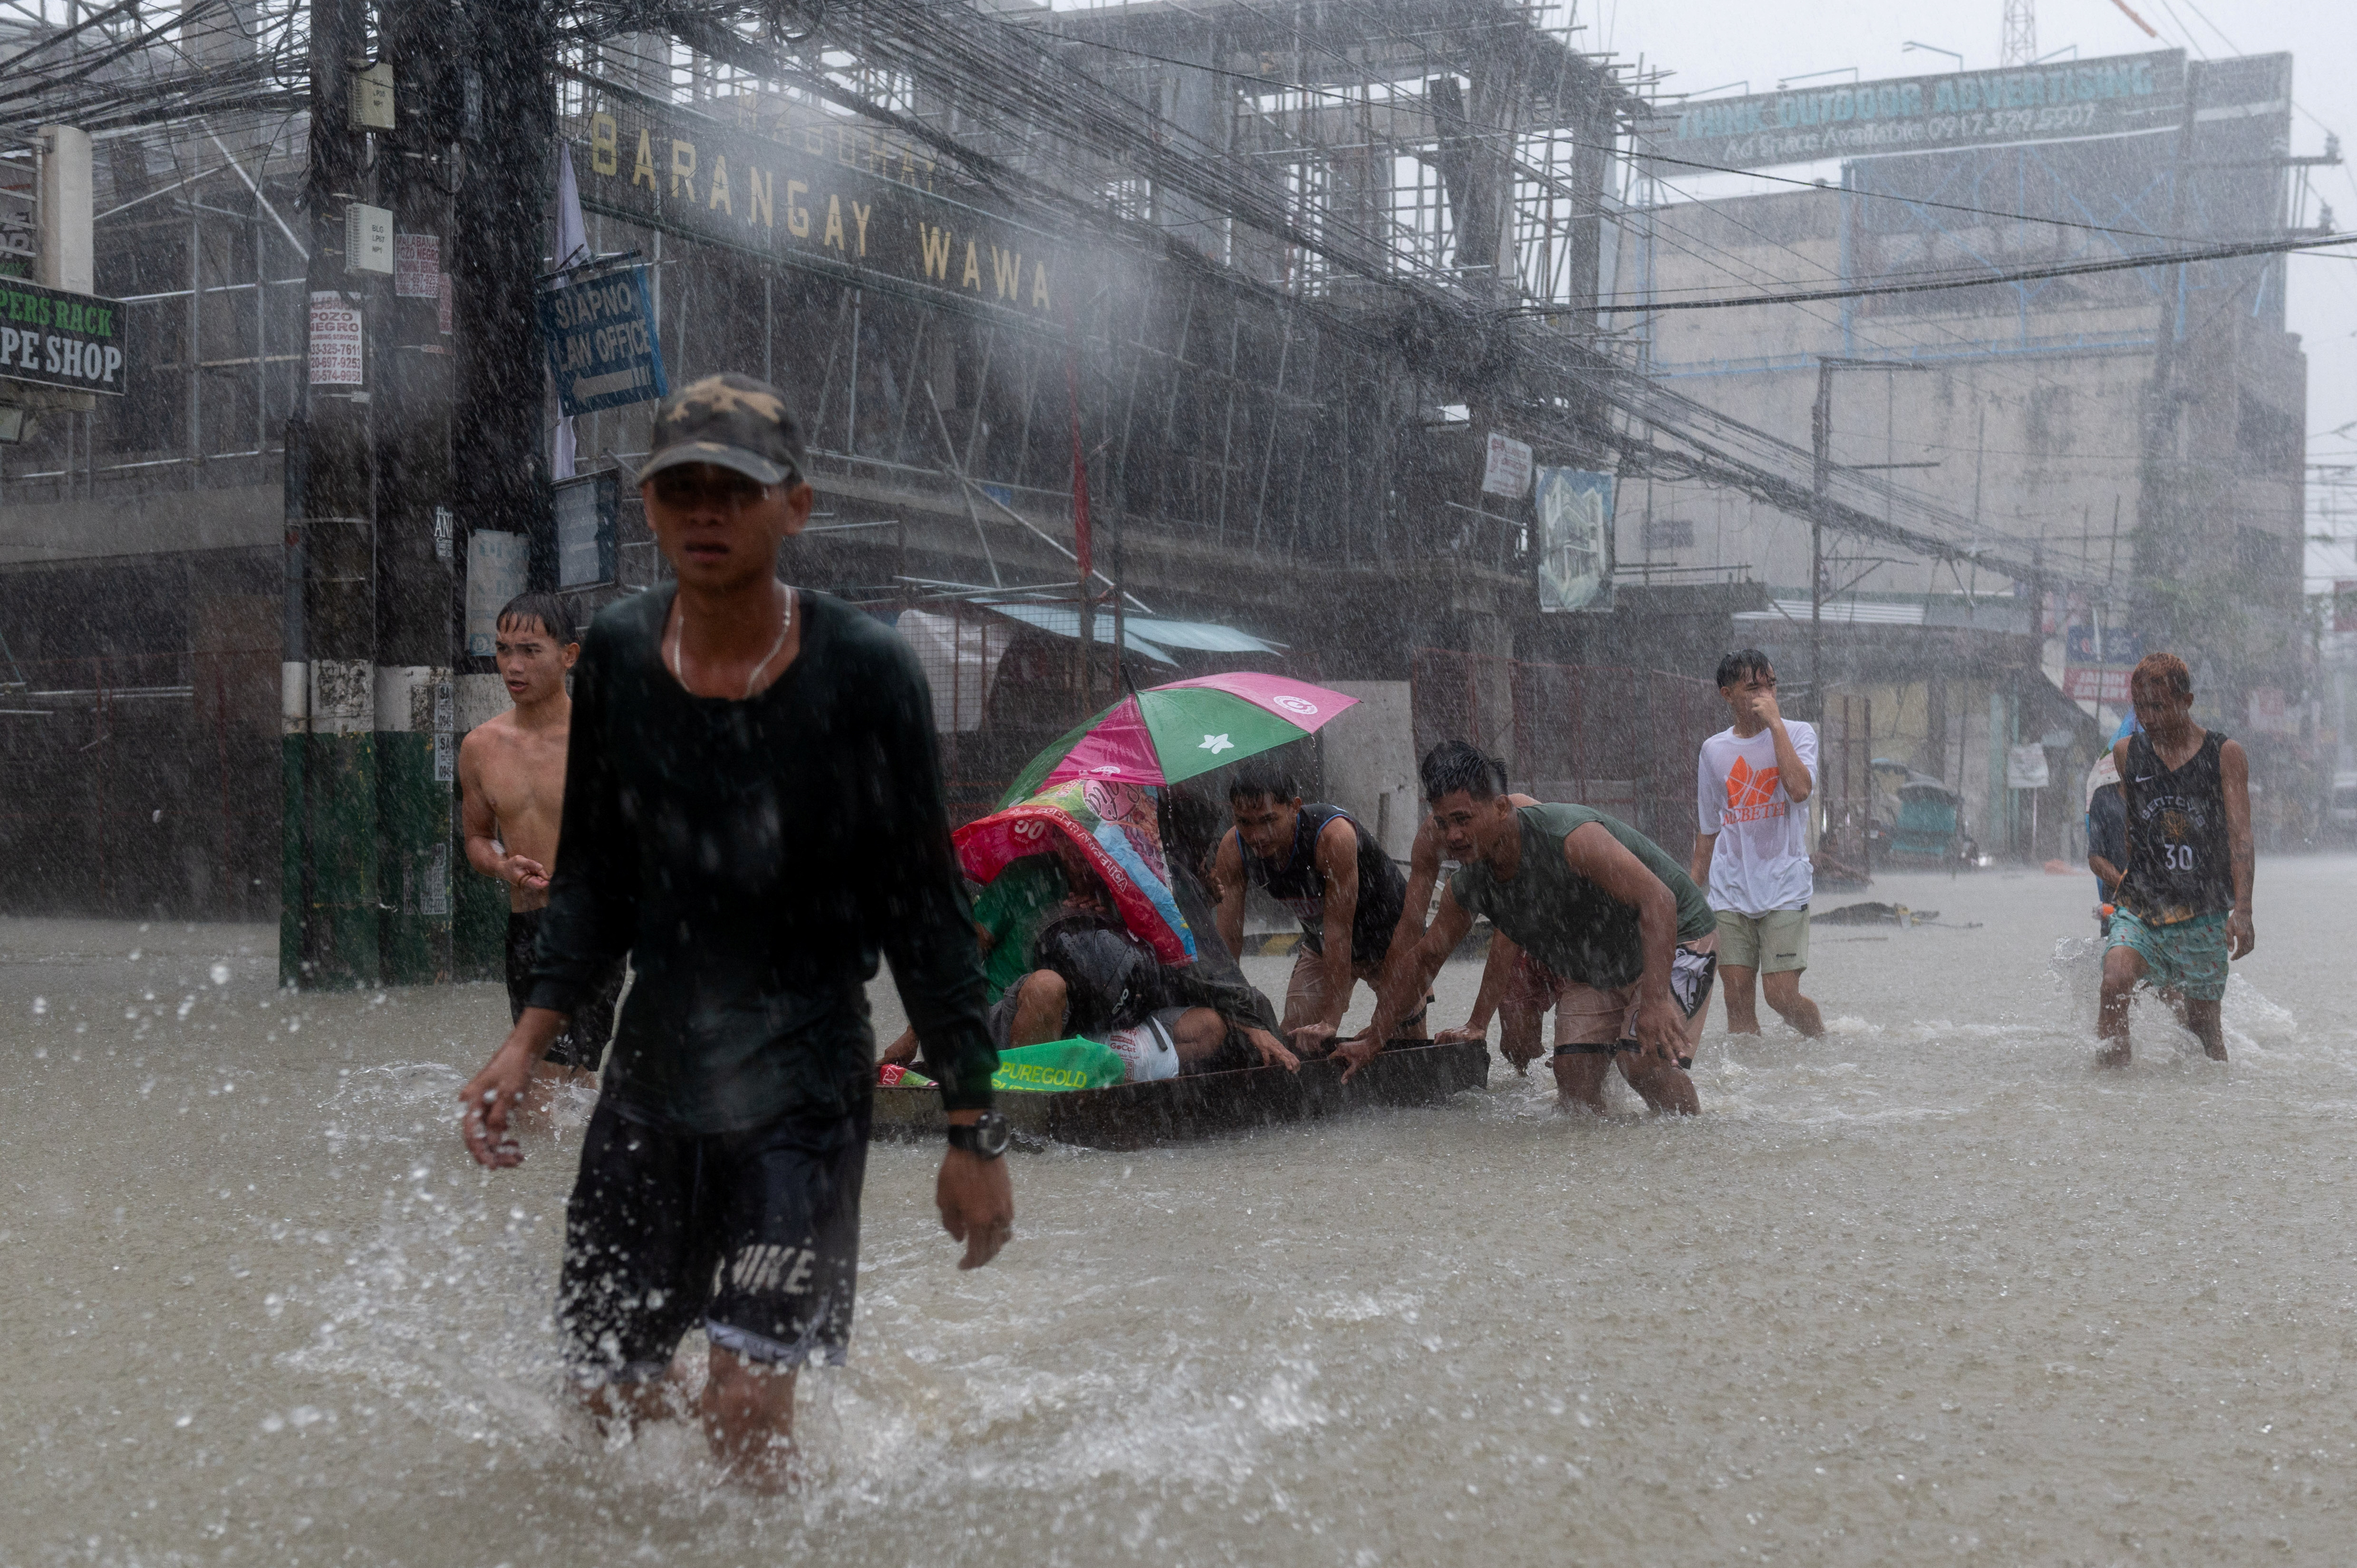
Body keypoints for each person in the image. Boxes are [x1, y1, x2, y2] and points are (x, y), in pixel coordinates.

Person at [455, 372, 1014, 1489]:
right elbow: (598, 877)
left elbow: (926, 909)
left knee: (746, 1401)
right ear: (651, 508)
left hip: (802, 1082)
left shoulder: (867, 672)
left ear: (792, 506)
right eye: (680, 489)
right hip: (653, 1069)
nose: (704, 511)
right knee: (603, 1394)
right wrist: (530, 1037)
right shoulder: (613, 654)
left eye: (733, 489)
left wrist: (971, 1125)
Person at [1345, 743, 1720, 1115]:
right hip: (1596, 964)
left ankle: (1692, 1146)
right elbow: (1425, 957)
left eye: (1464, 819)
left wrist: (1655, 1001)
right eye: (1443, 824)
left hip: (1676, 936)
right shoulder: (1469, 886)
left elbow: (1660, 901)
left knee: (1641, 1061)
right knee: (1574, 1084)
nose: (1453, 835)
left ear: (1502, 807)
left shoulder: (1569, 837)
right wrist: (1376, 1037)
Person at [457, 593, 625, 1106]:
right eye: (504, 649)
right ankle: (581, 1174)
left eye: (529, 650)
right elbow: (476, 838)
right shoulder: (480, 747)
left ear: (569, 655)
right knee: (568, 1084)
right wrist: (503, 866)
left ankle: (524, 1181)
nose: (513, 665)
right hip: (525, 929)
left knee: (540, 1086)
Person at [2096, 653, 2254, 1066]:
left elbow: (2241, 837)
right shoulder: (2127, 752)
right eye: (2140, 707)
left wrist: (2243, 909)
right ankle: (2107, 1094)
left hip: (2202, 911)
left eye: (2159, 706)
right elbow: (2136, 829)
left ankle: (2214, 1113)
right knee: (2114, 983)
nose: (2148, 717)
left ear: (2187, 700)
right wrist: (2123, 886)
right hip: (2143, 905)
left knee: (2204, 1034)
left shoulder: (2225, 754)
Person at [1212, 763, 1416, 1050]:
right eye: (1245, 822)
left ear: (1295, 808)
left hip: (1392, 940)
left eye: (1268, 820)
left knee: (1410, 1046)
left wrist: (1331, 1022)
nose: (1257, 835)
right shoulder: (1233, 848)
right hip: (1322, 944)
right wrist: (1223, 1005)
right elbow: (1228, 938)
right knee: (1294, 1040)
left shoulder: (1333, 838)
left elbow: (1339, 933)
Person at [1689, 650, 1824, 1038]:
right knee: (1737, 1004)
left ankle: (1819, 1040)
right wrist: (1685, 894)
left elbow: (1799, 790)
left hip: (1784, 885)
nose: (1766, 694)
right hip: (1730, 891)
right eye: (1754, 688)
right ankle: (1751, 1089)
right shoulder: (1713, 751)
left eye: (1771, 685)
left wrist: (1776, 726)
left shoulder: (1799, 734)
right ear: (1727, 695)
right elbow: (1708, 830)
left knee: (1780, 996)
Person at [1387, 742, 1543, 1072]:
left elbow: (1509, 931)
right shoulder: (1431, 838)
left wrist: (1477, 1021)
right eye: (1441, 815)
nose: (1452, 832)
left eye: (1461, 816)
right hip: (1511, 923)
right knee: (1517, 1046)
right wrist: (1386, 1018)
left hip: (1549, 924)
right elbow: (1411, 924)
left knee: (1575, 1053)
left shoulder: (1518, 817)